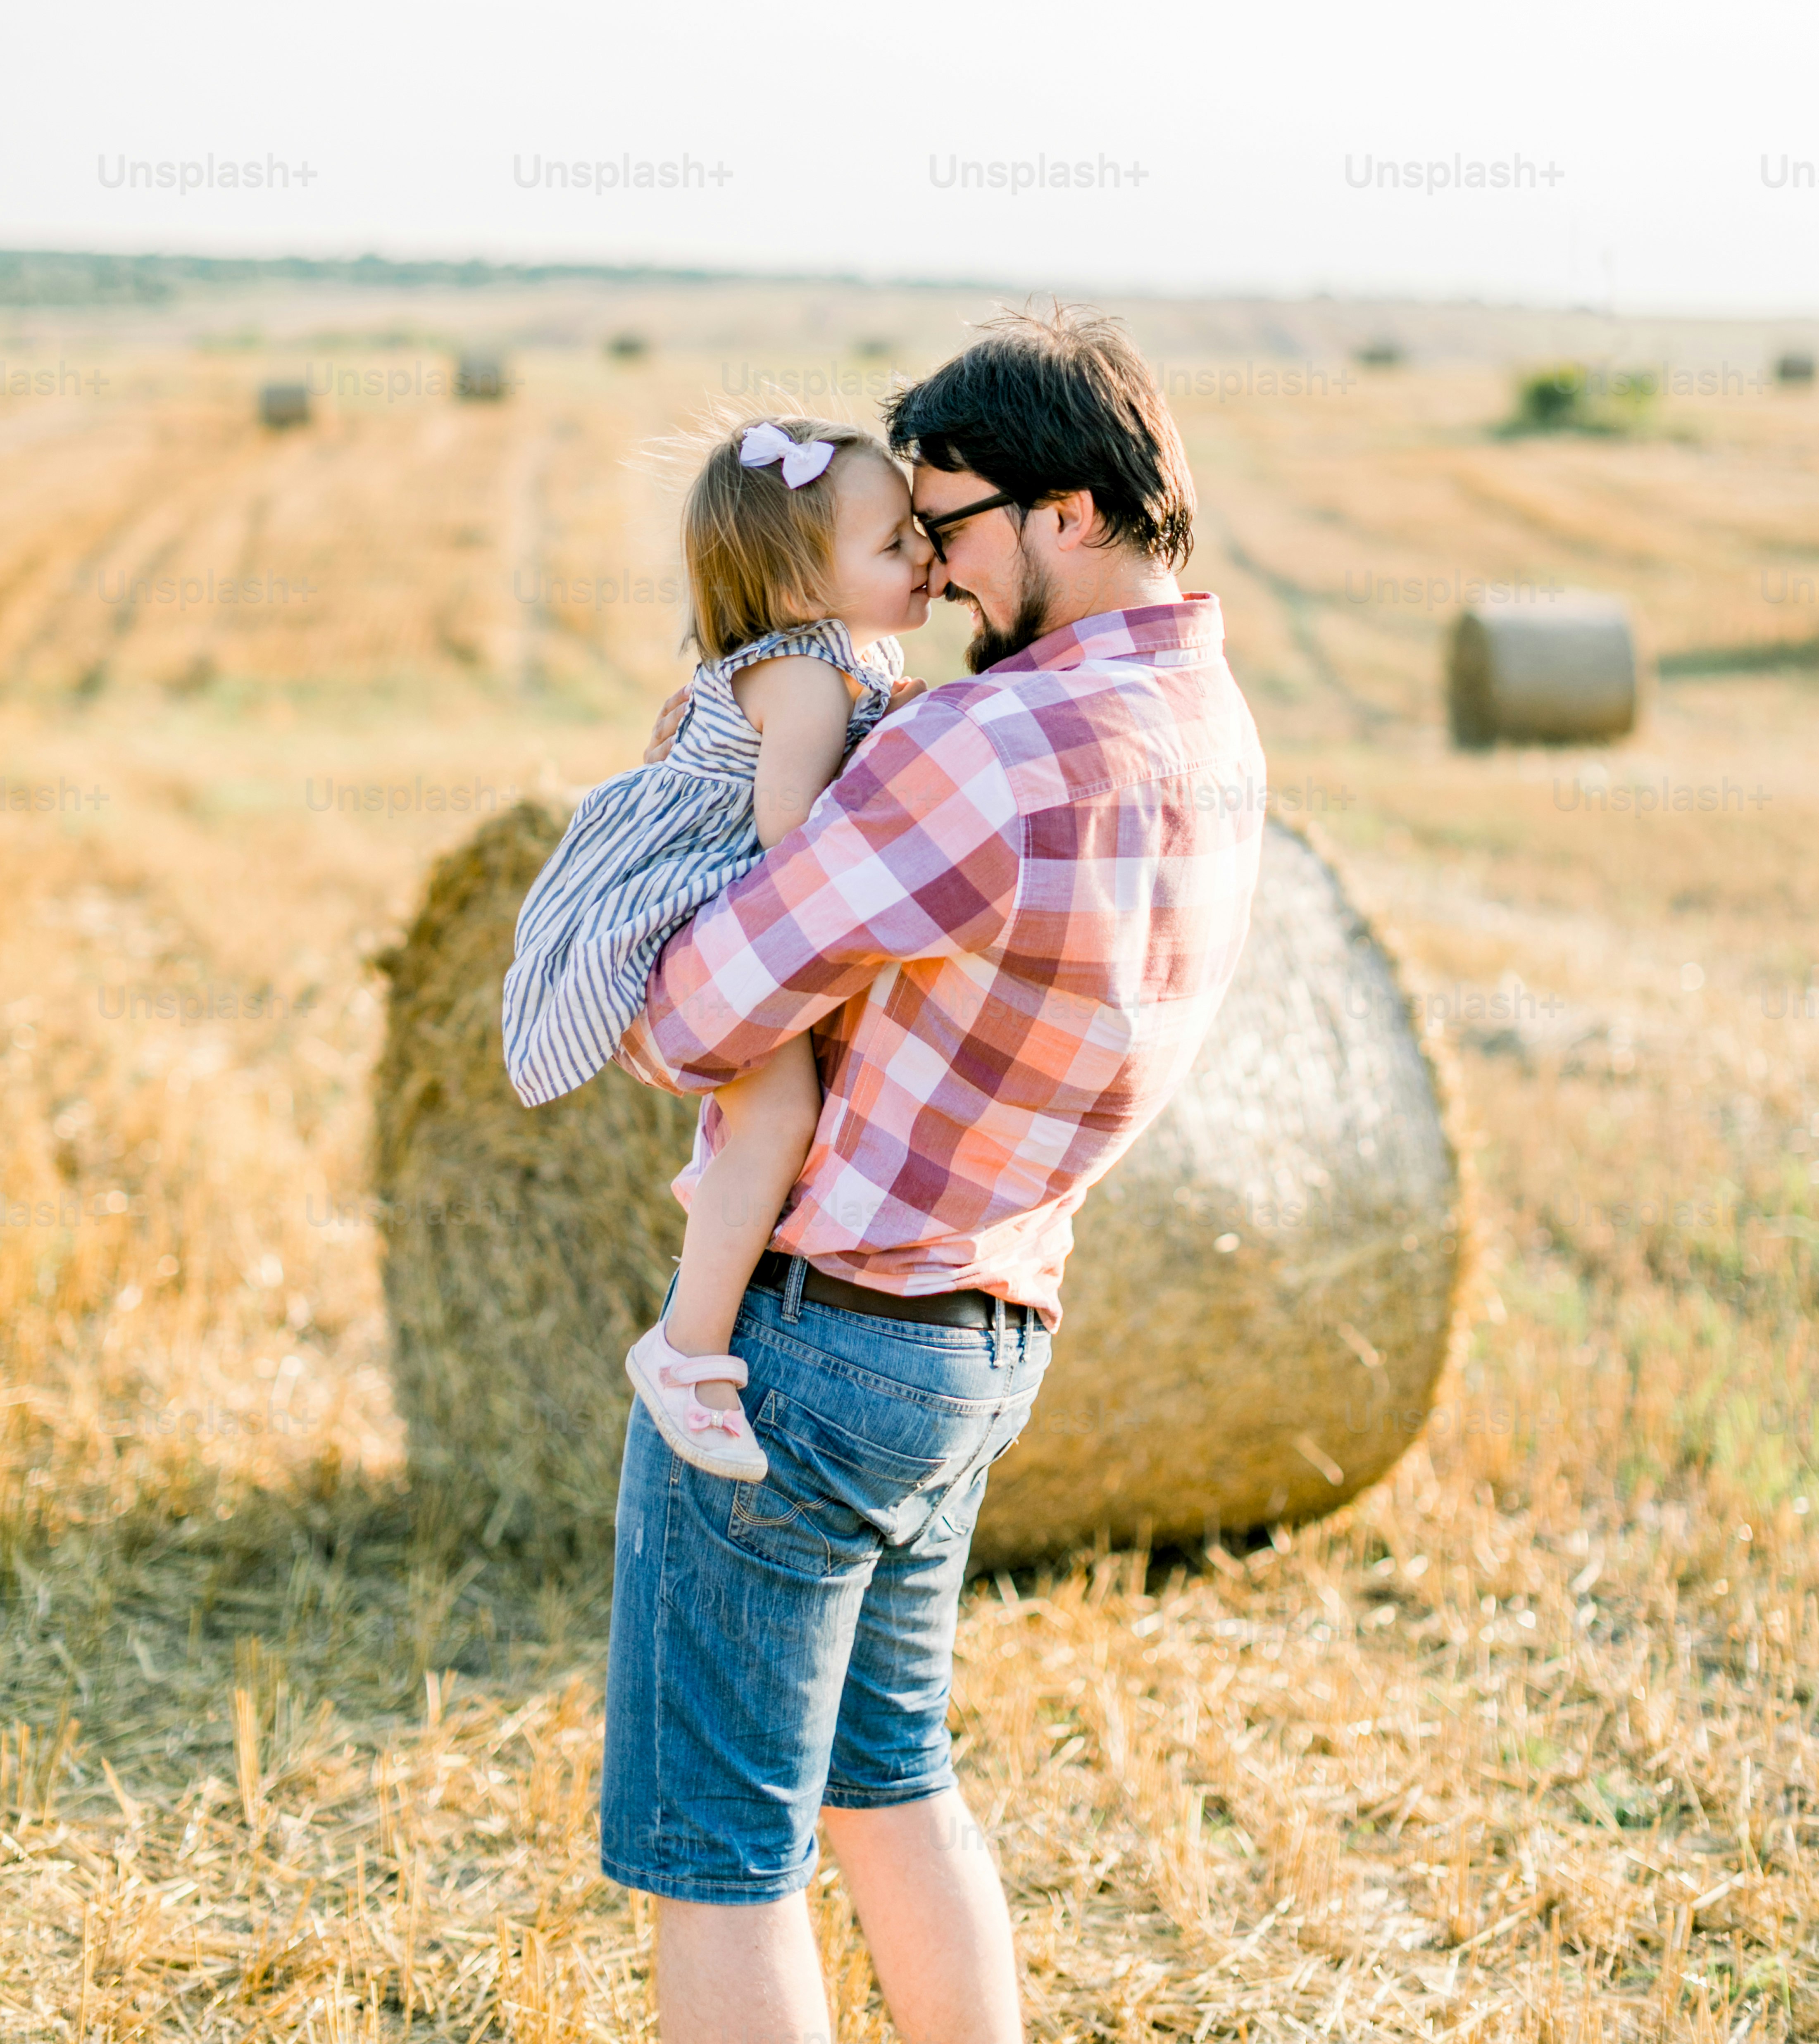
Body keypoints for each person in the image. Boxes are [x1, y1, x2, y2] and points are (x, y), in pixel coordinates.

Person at [515, 309, 1267, 2044]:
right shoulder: (1207, 726)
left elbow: (701, 1004)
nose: (931, 566)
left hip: (818, 1344)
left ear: (1069, 513)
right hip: (981, 1337)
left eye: (952, 522)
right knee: (892, 1786)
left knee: (722, 1859)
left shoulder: (979, 749)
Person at [502, 414, 934, 1480]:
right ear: (799, 589)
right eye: (894, 547)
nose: (925, 553)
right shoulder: (803, 676)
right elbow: (796, 832)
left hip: (717, 885)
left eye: (917, 532)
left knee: (765, 1123)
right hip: (706, 890)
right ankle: (687, 1351)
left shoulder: (841, 658)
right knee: (777, 1115)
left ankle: (697, 1333)